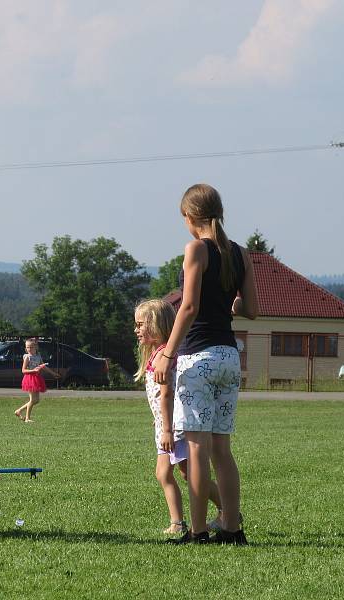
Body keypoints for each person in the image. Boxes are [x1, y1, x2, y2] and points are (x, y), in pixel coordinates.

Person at [154, 183, 259, 545]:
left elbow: (188, 306)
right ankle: (232, 529)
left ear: (190, 217)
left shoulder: (196, 248)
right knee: (222, 450)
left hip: (198, 359)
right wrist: (227, 305)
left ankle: (197, 531)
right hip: (230, 357)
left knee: (197, 448)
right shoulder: (239, 253)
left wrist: (168, 352)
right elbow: (252, 310)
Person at [134, 299, 223, 536]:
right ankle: (179, 522)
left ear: (156, 325)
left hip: (173, 427)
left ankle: (225, 510)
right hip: (166, 424)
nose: (136, 330)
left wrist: (167, 428)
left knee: (182, 472)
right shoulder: (157, 354)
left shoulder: (165, 355)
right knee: (167, 473)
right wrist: (160, 419)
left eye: (141, 325)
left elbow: (167, 394)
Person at [14, 338, 60, 423]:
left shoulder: (38, 356)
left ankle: (19, 411)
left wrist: (53, 373)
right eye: (27, 347)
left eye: (31, 347)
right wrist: (33, 370)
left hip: (37, 378)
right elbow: (23, 370)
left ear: (36, 347)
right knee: (32, 400)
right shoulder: (27, 357)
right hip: (29, 379)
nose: (29, 349)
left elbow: (43, 366)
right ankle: (27, 418)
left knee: (36, 400)